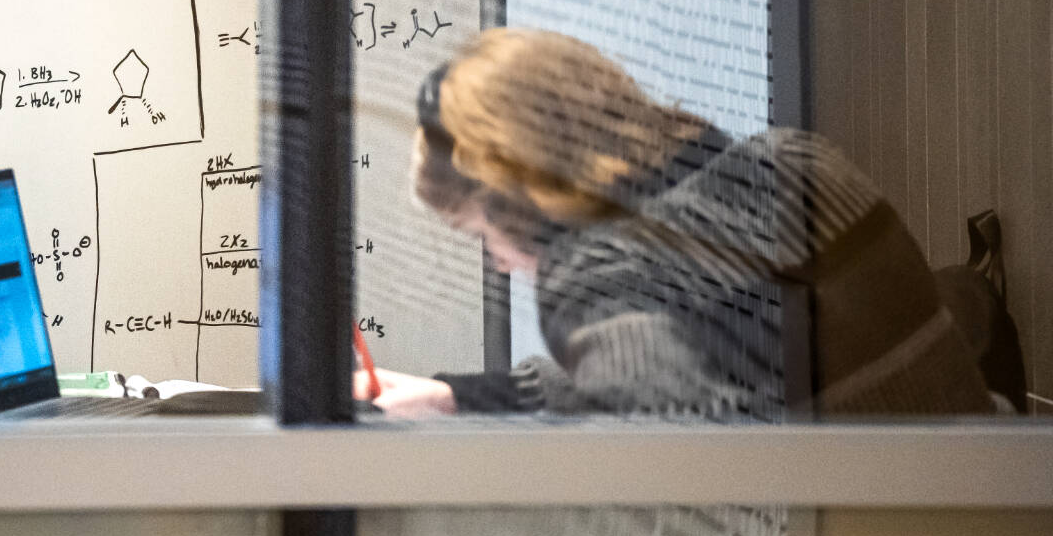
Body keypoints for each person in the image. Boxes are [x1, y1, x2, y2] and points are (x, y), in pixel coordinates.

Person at [361, 29, 995, 420]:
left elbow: (670, 485)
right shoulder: (795, 159)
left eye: (479, 234)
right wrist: (456, 397)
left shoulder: (595, 281)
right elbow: (687, 364)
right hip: (988, 507)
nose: (496, 262)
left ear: (512, 200)